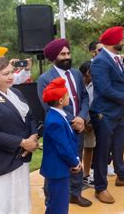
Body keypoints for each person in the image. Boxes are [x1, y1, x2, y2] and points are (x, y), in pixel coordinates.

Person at [36, 38, 92, 207]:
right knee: (58, 162)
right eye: (62, 54)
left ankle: (75, 194)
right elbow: (47, 106)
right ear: (54, 57)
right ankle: (50, 199)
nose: (67, 56)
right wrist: (72, 120)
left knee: (76, 158)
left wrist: (81, 118)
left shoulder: (75, 74)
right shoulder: (45, 79)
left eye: (68, 53)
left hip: (79, 126)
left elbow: (84, 96)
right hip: (61, 127)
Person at [90, 26, 124, 204]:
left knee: (119, 146)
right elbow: (104, 89)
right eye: (122, 39)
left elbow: (117, 83)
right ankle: (100, 188)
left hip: (118, 111)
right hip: (104, 113)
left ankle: (121, 176)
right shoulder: (99, 61)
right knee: (103, 152)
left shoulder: (115, 59)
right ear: (114, 42)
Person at [0, 51, 39, 214]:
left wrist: (33, 136)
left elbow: (30, 117)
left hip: (21, 158)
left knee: (20, 200)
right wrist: (21, 143)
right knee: (3, 203)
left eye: (12, 72)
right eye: (5, 74)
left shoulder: (17, 93)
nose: (11, 76)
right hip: (2, 162)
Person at [40, 77, 83, 214]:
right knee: (58, 204)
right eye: (67, 95)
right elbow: (63, 147)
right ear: (60, 101)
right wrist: (75, 162)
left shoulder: (58, 115)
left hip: (59, 168)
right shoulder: (55, 121)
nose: (69, 98)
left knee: (59, 202)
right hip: (57, 170)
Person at [79, 61, 95, 187]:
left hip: (90, 123)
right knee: (76, 149)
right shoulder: (78, 86)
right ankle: (75, 176)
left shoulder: (94, 85)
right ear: (88, 73)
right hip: (78, 122)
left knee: (89, 148)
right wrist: (82, 122)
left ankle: (85, 175)